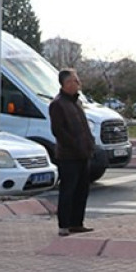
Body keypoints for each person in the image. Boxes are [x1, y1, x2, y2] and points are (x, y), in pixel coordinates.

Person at [49, 68, 95, 236]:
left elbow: (83, 127)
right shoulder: (58, 104)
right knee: (68, 190)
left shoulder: (76, 102)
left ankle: (77, 222)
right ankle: (64, 225)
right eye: (75, 80)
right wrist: (75, 145)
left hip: (83, 154)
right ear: (67, 83)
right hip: (68, 156)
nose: (78, 83)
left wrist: (90, 144)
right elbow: (58, 131)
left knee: (82, 190)